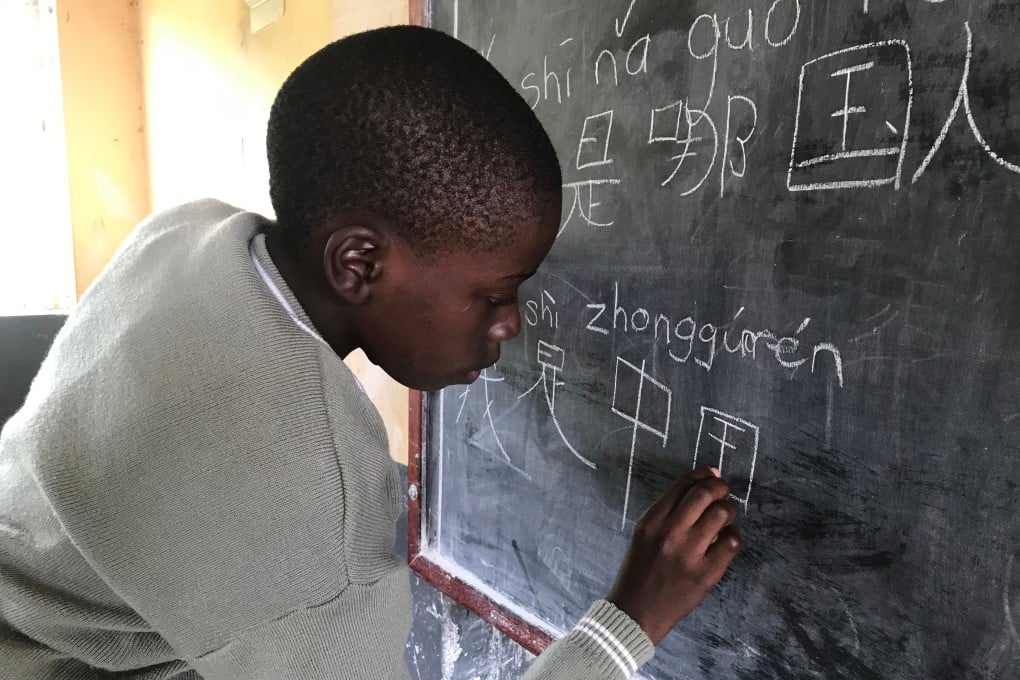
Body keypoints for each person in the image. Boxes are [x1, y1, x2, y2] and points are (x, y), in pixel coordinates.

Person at [0, 25, 740, 679]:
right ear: (358, 264)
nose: (510, 324)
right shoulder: (297, 499)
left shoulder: (191, 236)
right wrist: (628, 622)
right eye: (492, 294)